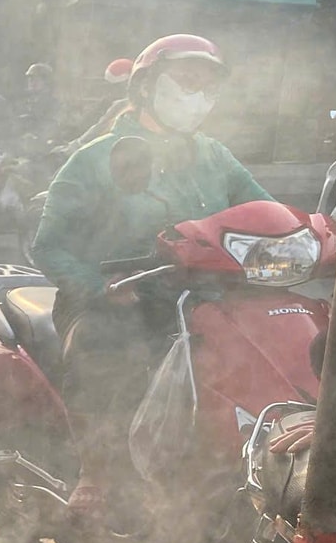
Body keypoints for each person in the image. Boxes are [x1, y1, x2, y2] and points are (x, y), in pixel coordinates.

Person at [33, 34, 270, 517]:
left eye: (208, 85)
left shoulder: (214, 156)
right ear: (144, 87)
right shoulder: (98, 156)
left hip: (201, 295)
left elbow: (263, 209)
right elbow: (48, 245)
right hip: (120, 295)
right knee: (104, 345)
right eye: (186, 80)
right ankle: (95, 473)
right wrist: (97, 287)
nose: (197, 94)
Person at [73, 56, 137, 150]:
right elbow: (88, 122)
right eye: (109, 86)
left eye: (115, 86)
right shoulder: (106, 102)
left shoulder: (123, 105)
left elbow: (100, 127)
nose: (110, 91)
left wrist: (74, 146)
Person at [16, 61, 59, 137]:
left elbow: (51, 128)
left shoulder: (52, 104)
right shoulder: (23, 102)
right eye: (30, 79)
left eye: (37, 79)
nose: (32, 83)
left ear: (46, 82)